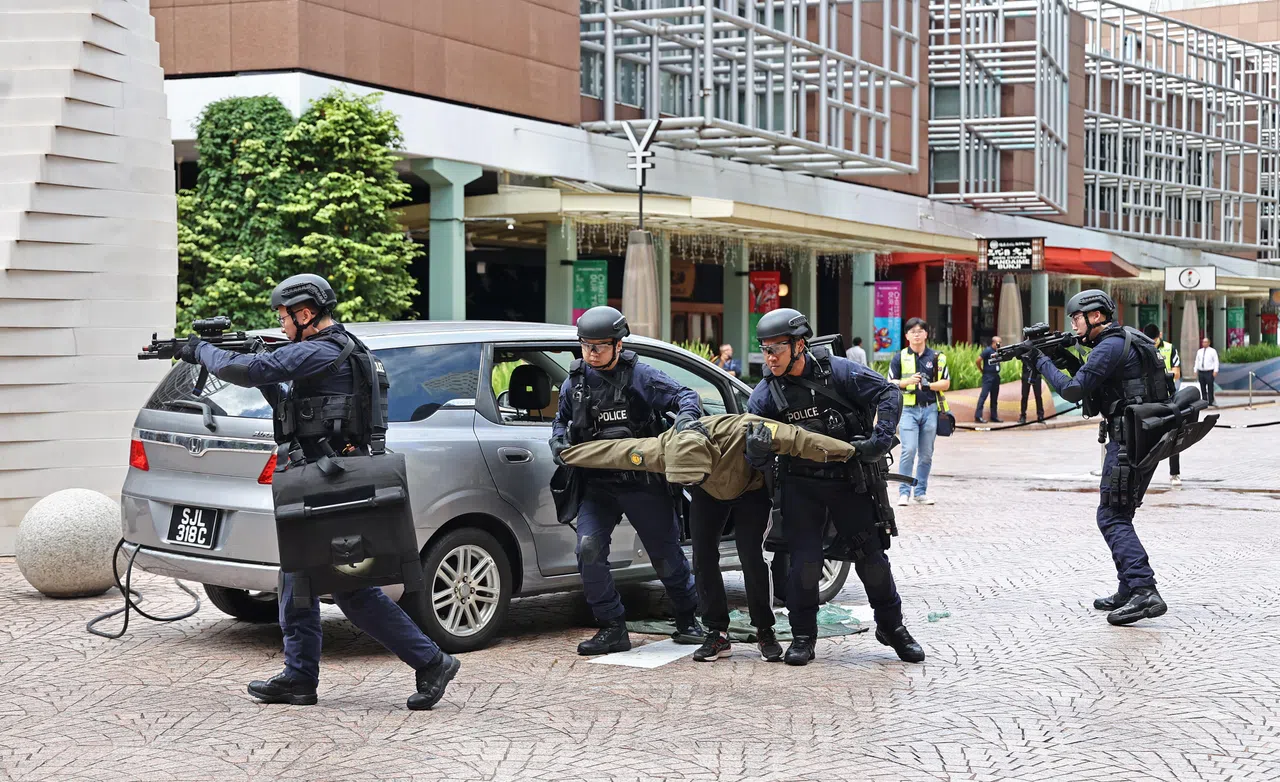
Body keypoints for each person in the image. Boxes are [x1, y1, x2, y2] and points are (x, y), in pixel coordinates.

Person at [177, 274, 458, 710]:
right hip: (326, 477)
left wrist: (202, 351)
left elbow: (250, 373)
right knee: (301, 578)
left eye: (284, 317)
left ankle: (428, 660)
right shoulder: (337, 348)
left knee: (346, 587)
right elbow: (288, 399)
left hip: (329, 481)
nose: (282, 324)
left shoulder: (324, 350)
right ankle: (300, 677)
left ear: (305, 314)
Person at [558, 412, 864, 664]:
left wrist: (852, 451)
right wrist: (566, 453)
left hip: (749, 492)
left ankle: (764, 630)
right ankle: (716, 633)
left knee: (751, 557)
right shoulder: (663, 449)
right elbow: (615, 452)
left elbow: (801, 439)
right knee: (703, 558)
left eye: (693, 478)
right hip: (707, 494)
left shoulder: (746, 428)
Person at [747, 308, 925, 666]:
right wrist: (757, 448)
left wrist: (881, 438)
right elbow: (752, 444)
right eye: (764, 350)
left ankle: (892, 628)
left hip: (849, 480)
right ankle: (803, 636)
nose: (770, 357)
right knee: (804, 564)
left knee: (872, 560)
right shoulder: (766, 393)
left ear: (799, 345)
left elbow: (889, 394)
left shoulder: (838, 371)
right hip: (800, 486)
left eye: (776, 348)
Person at [549, 306, 706, 655]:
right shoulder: (574, 382)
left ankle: (687, 618)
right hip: (597, 485)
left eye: (600, 346)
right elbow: (560, 421)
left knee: (665, 555)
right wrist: (557, 440)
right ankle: (611, 626)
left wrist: (685, 423)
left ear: (618, 345)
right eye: (585, 345)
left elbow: (686, 397)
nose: (591, 353)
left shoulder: (641, 376)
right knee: (588, 550)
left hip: (643, 482)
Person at [1022, 289, 1169, 626]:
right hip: (1140, 435)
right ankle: (1129, 588)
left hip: (1127, 440)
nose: (1073, 324)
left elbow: (1074, 390)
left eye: (1077, 318)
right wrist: (1061, 357)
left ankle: (1145, 589)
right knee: (1121, 513)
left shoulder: (1110, 345)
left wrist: (1041, 361)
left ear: (1096, 316)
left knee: (1111, 516)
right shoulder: (1123, 339)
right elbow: (1095, 380)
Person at [887, 318, 951, 506]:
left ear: (926, 334)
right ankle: (904, 492)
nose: (916, 334)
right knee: (909, 450)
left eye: (920, 330)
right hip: (908, 410)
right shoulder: (899, 357)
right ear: (906, 336)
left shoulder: (937, 357)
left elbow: (946, 383)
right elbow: (890, 382)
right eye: (912, 331)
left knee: (926, 454)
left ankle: (920, 491)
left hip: (930, 409)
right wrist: (907, 382)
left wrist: (928, 385)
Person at [1144, 323, 1182, 486]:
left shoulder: (1170, 348)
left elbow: (1177, 372)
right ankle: (1142, 475)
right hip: (1148, 399)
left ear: (1159, 336)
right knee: (1145, 437)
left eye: (1154, 340)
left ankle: (1175, 473)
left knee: (1173, 434)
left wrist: (1162, 379)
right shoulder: (1141, 348)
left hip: (1167, 398)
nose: (1153, 344)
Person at [974, 336, 1004, 423]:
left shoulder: (997, 351)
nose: (1000, 344)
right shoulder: (988, 350)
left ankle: (994, 416)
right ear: (993, 343)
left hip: (996, 375)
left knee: (994, 397)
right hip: (988, 376)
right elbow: (978, 360)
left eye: (1000, 343)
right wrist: (981, 370)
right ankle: (978, 416)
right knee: (983, 395)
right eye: (998, 343)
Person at [1018, 357, 1044, 425]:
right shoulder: (1023, 349)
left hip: (1036, 374)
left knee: (1038, 396)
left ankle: (1040, 416)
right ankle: (1023, 416)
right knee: (1024, 396)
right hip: (1026, 373)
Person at [1194, 337, 1219, 407]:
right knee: (1202, 386)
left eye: (1205, 342)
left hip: (1209, 371)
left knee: (1210, 386)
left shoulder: (1212, 351)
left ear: (1209, 343)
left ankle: (1211, 401)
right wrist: (1195, 369)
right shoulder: (1199, 351)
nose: (1204, 343)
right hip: (1201, 371)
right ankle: (1204, 400)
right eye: (1203, 342)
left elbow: (1216, 361)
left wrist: (1215, 370)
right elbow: (1197, 361)